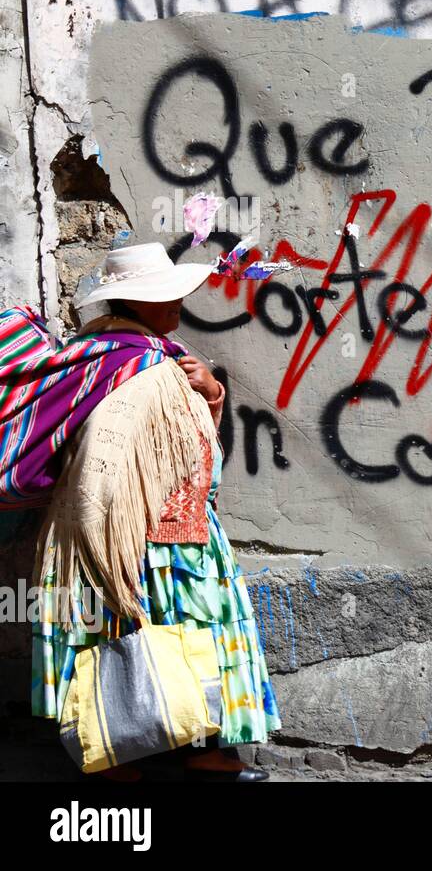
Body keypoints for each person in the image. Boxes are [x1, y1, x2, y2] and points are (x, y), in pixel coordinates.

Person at [28, 242, 279, 781]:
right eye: (163, 298)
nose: (176, 305)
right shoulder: (129, 361)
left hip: (162, 523)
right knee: (174, 628)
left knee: (149, 631)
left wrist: (211, 393)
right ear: (133, 305)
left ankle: (157, 749)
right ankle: (136, 748)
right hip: (142, 531)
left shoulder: (122, 356)